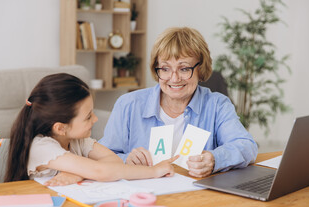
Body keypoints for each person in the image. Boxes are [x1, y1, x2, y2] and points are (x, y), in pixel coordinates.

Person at [99, 27, 258, 178]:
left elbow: (246, 146)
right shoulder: (128, 104)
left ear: (200, 69)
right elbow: (101, 155)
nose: (174, 79)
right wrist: (127, 159)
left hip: (195, 196)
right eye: (165, 69)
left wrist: (214, 159)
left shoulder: (217, 105)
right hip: (143, 195)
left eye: (184, 69)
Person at [4, 73, 177, 186]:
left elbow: (114, 162)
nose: (95, 119)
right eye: (88, 117)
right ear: (60, 128)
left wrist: (76, 175)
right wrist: (154, 171)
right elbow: (100, 171)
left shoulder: (78, 140)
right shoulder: (41, 147)